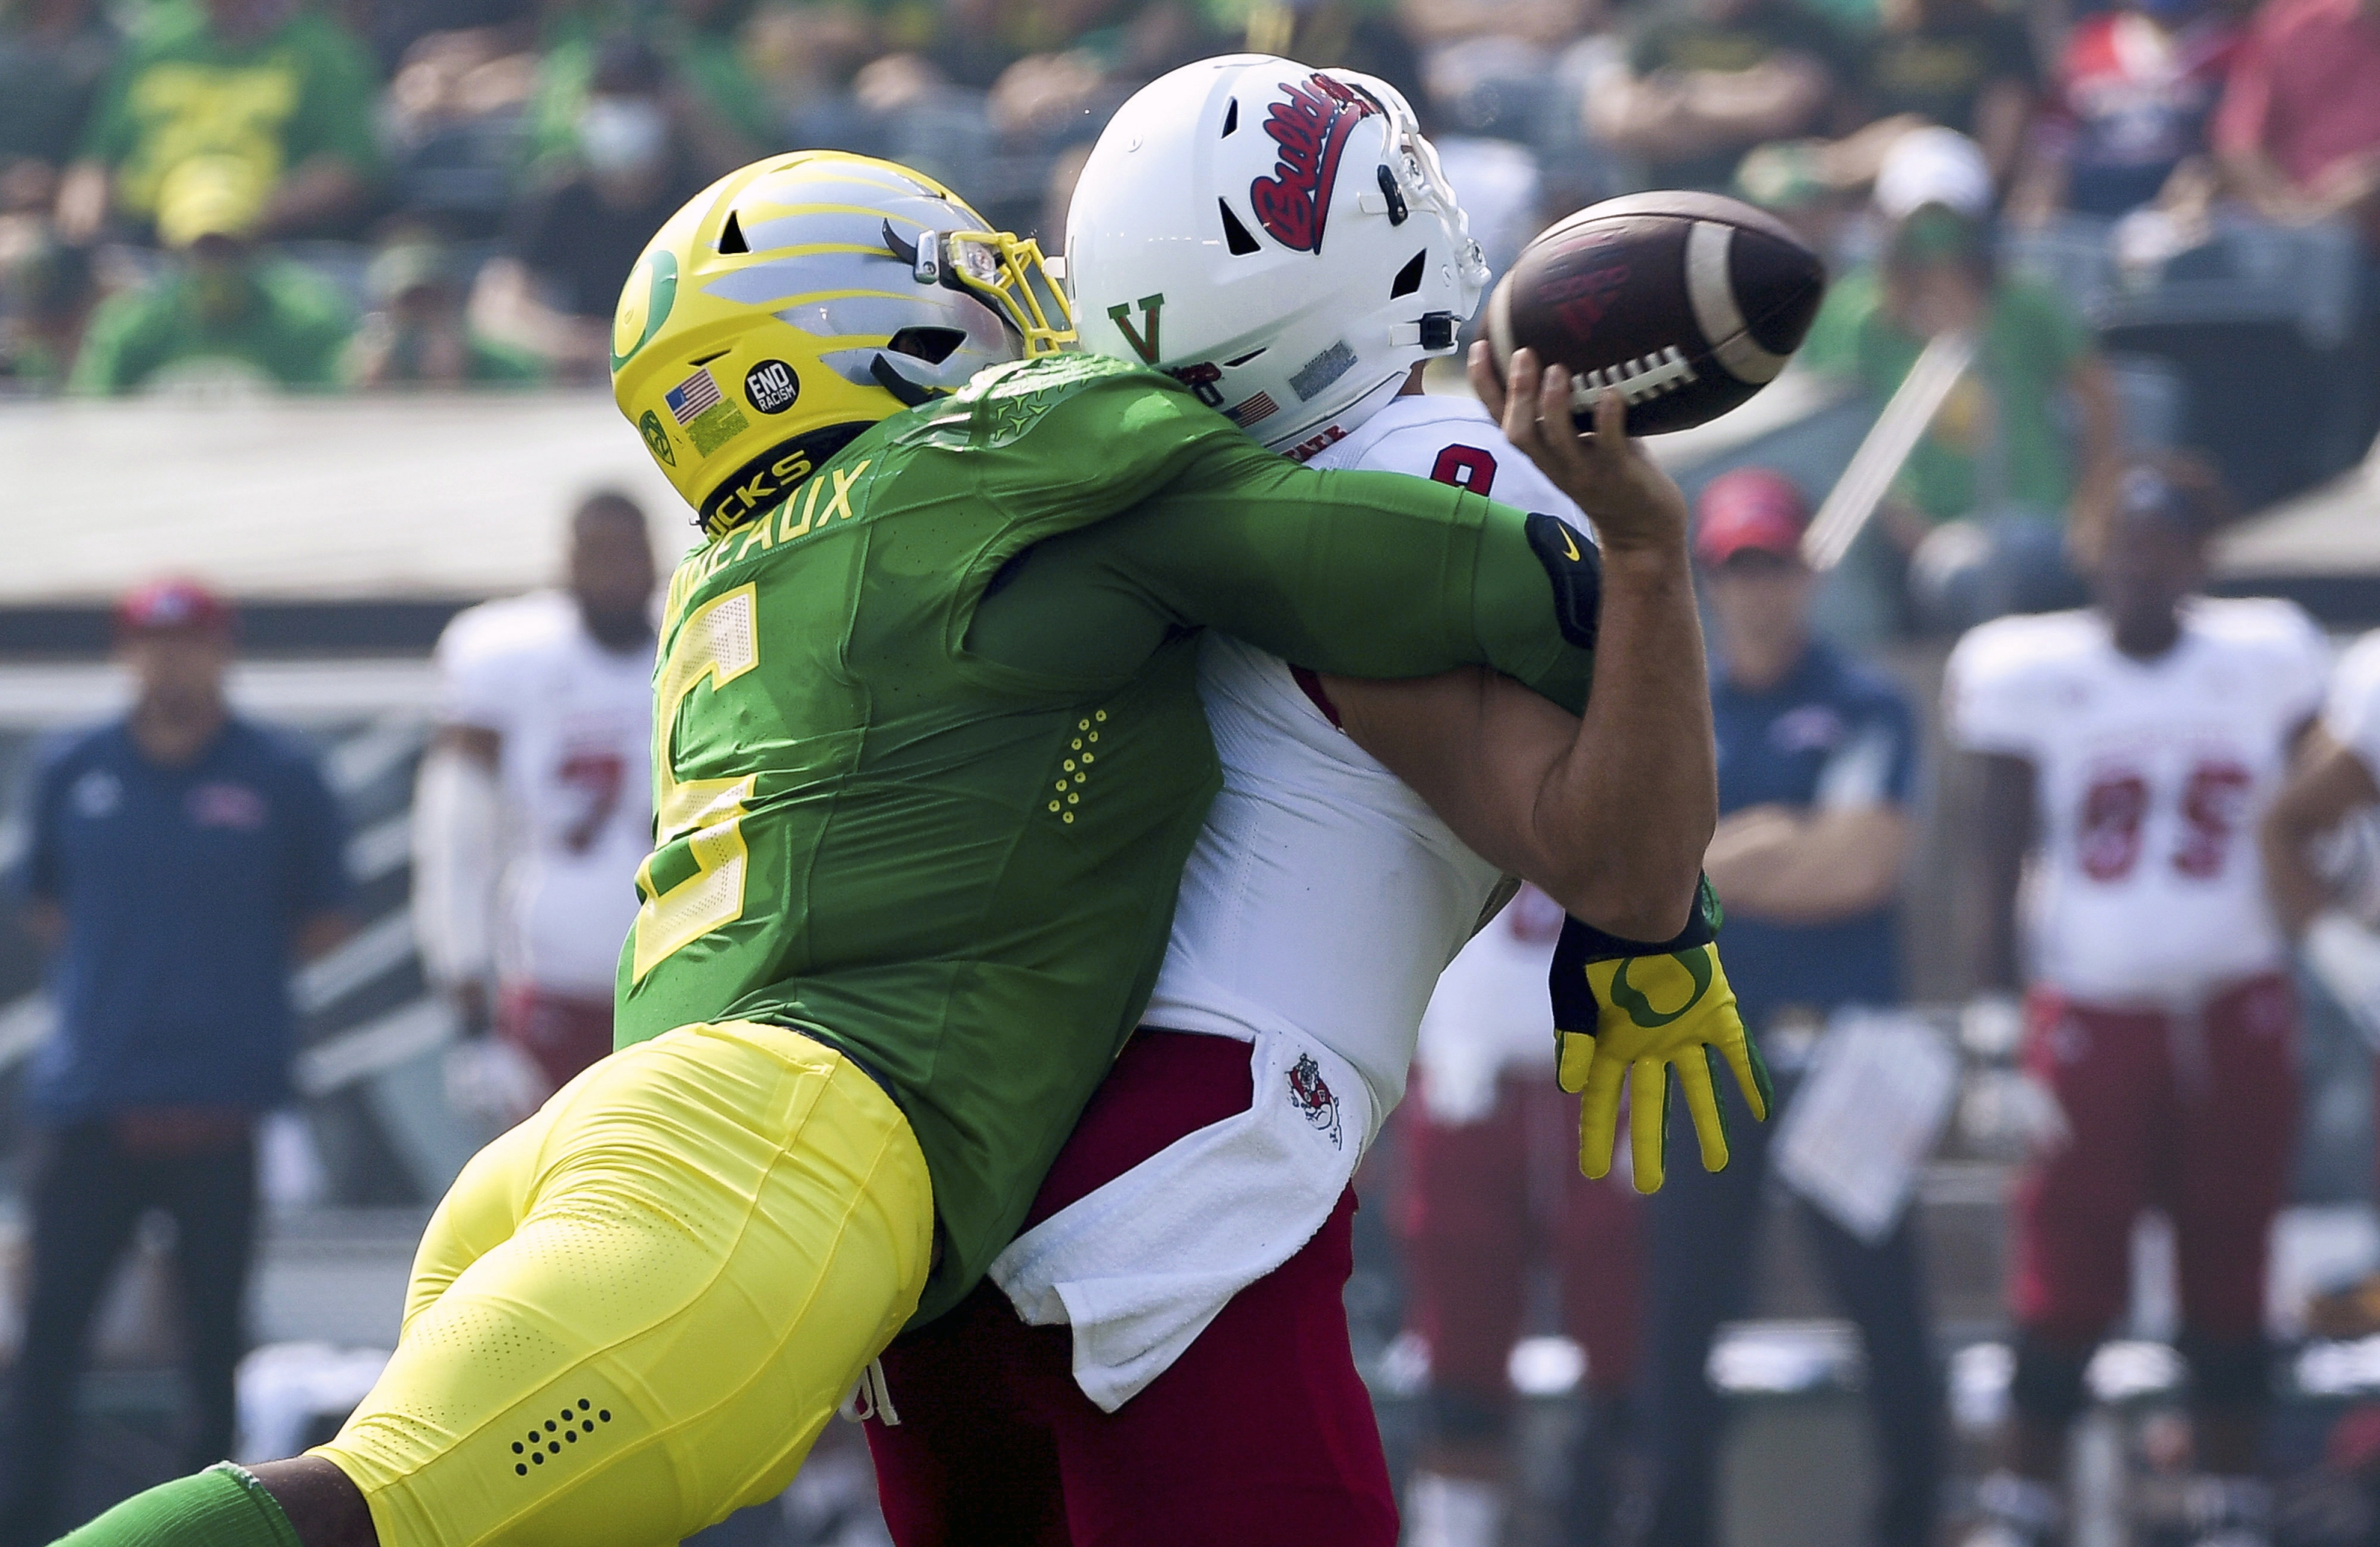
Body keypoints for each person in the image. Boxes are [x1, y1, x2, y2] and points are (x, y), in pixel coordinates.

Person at [57, 147, 1755, 1547]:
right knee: (368, 1518)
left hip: (679, 1151)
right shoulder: (1005, 458)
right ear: (854, 346)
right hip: (810, 1153)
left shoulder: (732, 582)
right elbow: (1460, 577)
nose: (1028, 314)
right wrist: (1627, 576)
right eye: (958, 290)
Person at [857, 57, 1756, 1547]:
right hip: (1178, 1186)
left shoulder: (1034, 477)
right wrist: (1648, 568)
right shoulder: (1410, 486)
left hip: (929, 1173)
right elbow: (1624, 864)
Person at [1946, 456, 2329, 1547]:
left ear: (2200, 558)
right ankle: (2025, 1498)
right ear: (2090, 552)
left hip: (2234, 1002)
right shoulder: (2033, 670)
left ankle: (2232, 1496)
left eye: (2162, 545)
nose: (2139, 565)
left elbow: (2322, 806)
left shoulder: (2264, 657)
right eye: (2123, 543)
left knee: (2232, 1255)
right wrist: (1990, 1025)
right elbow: (1995, 851)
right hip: (2095, 1009)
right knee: (2065, 1261)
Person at [0, 579, 353, 1547]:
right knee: (49, 1345)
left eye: (190, 644)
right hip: (91, 1106)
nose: (172, 663)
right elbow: (47, 906)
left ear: (222, 653)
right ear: (127, 655)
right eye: (154, 645)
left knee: (212, 1351)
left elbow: (324, 916)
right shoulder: (75, 765)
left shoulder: (280, 773)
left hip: (221, 1108)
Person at [1631, 467, 1936, 1547]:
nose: (1757, 588)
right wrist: (1775, 845)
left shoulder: (1865, 699)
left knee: (1889, 1318)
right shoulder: (1673, 705)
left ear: (1807, 568)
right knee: (1681, 1321)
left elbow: (1862, 864)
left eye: (1773, 563)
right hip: (1710, 1044)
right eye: (1736, 567)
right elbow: (1639, 872)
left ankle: (1910, 1524)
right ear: (1712, 580)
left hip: (1847, 1043)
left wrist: (1711, 854)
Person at [1395, 883, 1646, 1547]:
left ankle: (1620, 1519)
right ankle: (1454, 1533)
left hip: (1610, 1060)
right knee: (1459, 1356)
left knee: (1629, 1346)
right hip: (1470, 1070)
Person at [1799, 128, 2122, 630]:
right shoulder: (1858, 315)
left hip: (2034, 517)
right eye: (1918, 222)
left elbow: (2099, 400)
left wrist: (2090, 512)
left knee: (1983, 571)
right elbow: (1832, 431)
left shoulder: (2026, 303)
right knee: (1954, 574)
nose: (1934, 242)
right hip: (1924, 538)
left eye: (1948, 221)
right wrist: (1907, 527)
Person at [411, 492, 654, 1128]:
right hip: (553, 985)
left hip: (681, 983)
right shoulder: (508, 656)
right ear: (566, 562)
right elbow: (456, 841)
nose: (616, 572)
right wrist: (469, 1015)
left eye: (630, 552)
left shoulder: (703, 639)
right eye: (597, 553)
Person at [469, 36, 712, 382]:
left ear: (667, 105)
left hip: (680, 369)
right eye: (607, 96)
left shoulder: (698, 199)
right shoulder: (562, 196)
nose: (618, 110)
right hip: (584, 381)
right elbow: (497, 308)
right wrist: (574, 343)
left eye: (633, 96)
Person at [54, 0, 379, 245]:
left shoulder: (323, 51)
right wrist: (80, 231)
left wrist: (234, 220)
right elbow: (96, 160)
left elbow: (350, 168)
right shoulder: (157, 41)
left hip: (266, 246)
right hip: (142, 239)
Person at [68, 158, 353, 393]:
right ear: (171, 251)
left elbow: (332, 413)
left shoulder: (307, 323)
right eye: (201, 250)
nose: (215, 265)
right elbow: (92, 415)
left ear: (256, 245)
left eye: (229, 248)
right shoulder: (130, 330)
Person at [1588, 0, 1849, 193]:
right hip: (1664, 201)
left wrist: (1676, 98)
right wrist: (1750, 89)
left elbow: (1783, 110)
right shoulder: (1654, 23)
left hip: (1767, 203)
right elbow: (1620, 121)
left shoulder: (1801, 27)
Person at [2016, 0, 2242, 221]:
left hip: (2189, 207)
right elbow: (2054, 134)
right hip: (2094, 204)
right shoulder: (2091, 41)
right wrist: (2041, 186)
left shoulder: (2235, 47)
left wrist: (2216, 179)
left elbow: (2242, 142)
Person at [344, 234, 543, 388]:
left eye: (432, 300)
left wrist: (453, 382)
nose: (422, 312)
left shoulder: (508, 367)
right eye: (411, 301)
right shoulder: (352, 364)